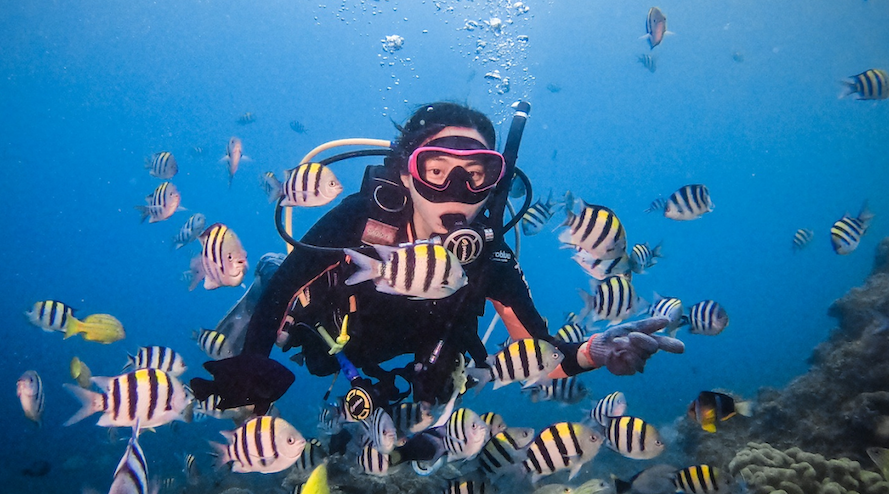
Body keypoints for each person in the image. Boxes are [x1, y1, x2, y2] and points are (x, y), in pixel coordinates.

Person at [210, 101, 682, 414]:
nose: (457, 192)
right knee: (287, 304)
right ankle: (263, 268)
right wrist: (254, 360)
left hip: (407, 358)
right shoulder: (359, 220)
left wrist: (591, 352)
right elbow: (284, 289)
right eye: (436, 171)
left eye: (477, 175)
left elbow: (542, 358)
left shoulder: (488, 258)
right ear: (407, 173)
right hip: (331, 333)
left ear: (495, 182)